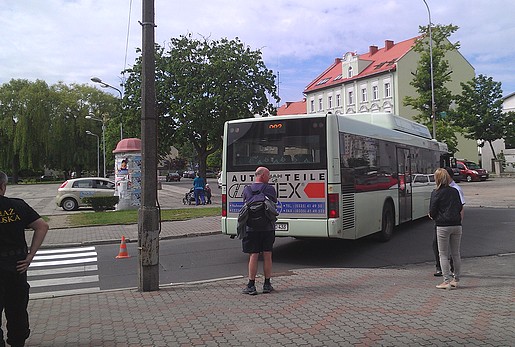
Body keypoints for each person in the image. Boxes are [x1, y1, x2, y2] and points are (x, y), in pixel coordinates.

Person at [0, 171, 48, 347]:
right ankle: (17, 341)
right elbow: (42, 226)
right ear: (3, 186)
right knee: (17, 310)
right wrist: (30, 256)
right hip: (17, 266)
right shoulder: (17, 206)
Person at [241, 167, 277, 295]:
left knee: (253, 255)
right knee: (267, 255)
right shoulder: (270, 189)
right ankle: (267, 284)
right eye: (268, 175)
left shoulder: (247, 190)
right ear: (262, 176)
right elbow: (274, 203)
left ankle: (251, 285)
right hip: (268, 227)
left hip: (251, 228)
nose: (269, 178)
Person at [428, 168, 463, 290]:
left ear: (437, 179)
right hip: (457, 225)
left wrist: (433, 216)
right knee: (456, 253)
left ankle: (446, 281)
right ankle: (456, 279)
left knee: (443, 254)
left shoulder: (436, 192)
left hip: (443, 226)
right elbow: (459, 207)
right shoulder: (455, 191)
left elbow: (432, 211)